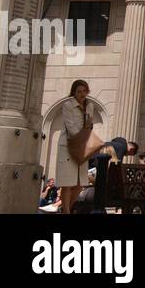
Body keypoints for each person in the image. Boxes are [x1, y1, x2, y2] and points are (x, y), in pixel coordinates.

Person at [56, 79, 99, 213]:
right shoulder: (68, 105)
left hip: (82, 146)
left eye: (84, 91)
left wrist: (88, 135)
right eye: (79, 91)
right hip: (68, 146)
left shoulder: (89, 106)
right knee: (67, 182)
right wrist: (82, 138)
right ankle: (66, 211)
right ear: (74, 92)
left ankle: (65, 208)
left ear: (87, 91)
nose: (81, 94)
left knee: (81, 183)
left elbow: (89, 124)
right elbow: (70, 126)